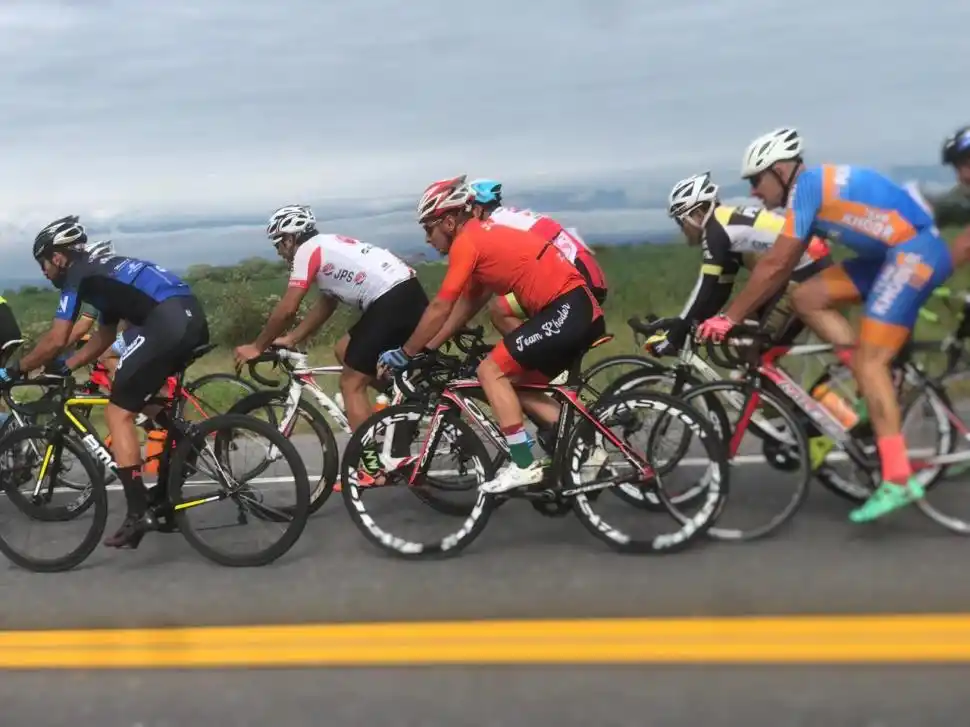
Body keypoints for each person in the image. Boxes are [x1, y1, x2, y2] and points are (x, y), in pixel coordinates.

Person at [695, 127, 955, 523]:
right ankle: (869, 376)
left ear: (781, 170)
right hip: (888, 258)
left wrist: (729, 319)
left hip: (913, 254)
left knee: (871, 362)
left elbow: (775, 264)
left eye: (757, 180)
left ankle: (897, 476)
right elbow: (785, 271)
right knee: (807, 297)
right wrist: (743, 315)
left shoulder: (809, 188)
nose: (753, 192)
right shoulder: (809, 194)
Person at [376, 175, 606, 494]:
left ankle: (523, 464)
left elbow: (441, 306)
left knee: (490, 371)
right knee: (516, 384)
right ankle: (588, 447)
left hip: (567, 309)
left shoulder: (467, 243)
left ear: (449, 222)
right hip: (572, 310)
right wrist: (429, 347)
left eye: (428, 228)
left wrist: (406, 353)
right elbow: (467, 304)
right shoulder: (481, 239)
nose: (427, 239)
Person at [0, 215, 210, 548]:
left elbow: (57, 338)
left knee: (117, 413)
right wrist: (68, 365)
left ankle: (138, 513)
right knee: (138, 399)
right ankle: (180, 455)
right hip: (188, 318)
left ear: (59, 257)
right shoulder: (102, 274)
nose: (44, 271)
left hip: (167, 323)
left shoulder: (79, 275)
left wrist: (13, 370)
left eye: (43, 263)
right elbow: (105, 336)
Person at [233, 204, 429, 443]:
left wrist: (258, 346)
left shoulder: (306, 251)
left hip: (391, 300)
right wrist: (293, 338)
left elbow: (287, 309)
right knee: (343, 350)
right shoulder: (327, 245)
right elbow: (327, 303)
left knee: (350, 384)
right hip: (406, 294)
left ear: (290, 239)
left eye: (278, 244)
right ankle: (407, 401)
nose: (279, 253)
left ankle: (368, 461)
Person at [646, 172, 832, 357]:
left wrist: (676, 334)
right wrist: (686, 324)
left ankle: (767, 375)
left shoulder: (716, 232)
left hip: (804, 275)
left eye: (680, 221)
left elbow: (705, 286)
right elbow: (719, 292)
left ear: (697, 214)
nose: (682, 229)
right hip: (805, 269)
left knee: (756, 349)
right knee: (741, 332)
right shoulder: (725, 224)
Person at [467, 178, 608, 335]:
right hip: (592, 277)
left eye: (467, 211)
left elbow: (482, 289)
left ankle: (533, 350)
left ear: (477, 209)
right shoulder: (515, 217)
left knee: (499, 310)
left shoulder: (494, 227)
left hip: (576, 283)